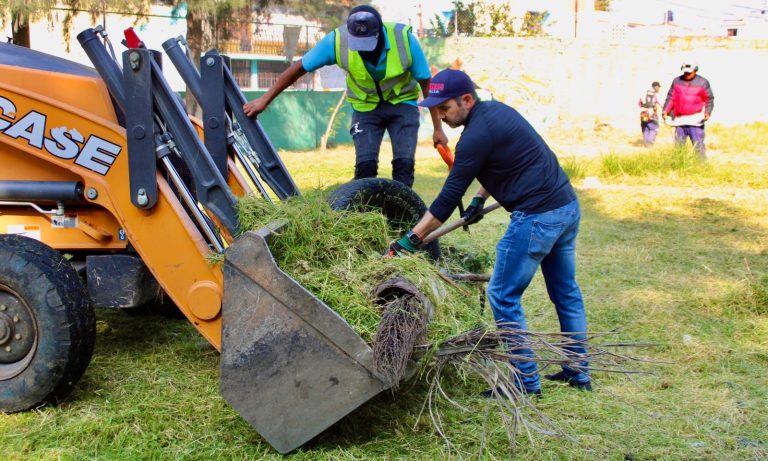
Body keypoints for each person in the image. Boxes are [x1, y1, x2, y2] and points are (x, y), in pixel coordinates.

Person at [388, 69, 590, 396]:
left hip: (538, 217)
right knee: (566, 292)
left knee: (502, 295)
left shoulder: (473, 137)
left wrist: (411, 239)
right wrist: (480, 199)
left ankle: (524, 383)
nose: (440, 116)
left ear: (466, 99)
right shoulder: (499, 113)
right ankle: (578, 372)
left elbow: (446, 200)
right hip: (566, 208)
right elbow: (506, 161)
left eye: (445, 109)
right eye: (436, 110)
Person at [243, 5, 446, 187]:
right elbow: (298, 68)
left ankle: (401, 221)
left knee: (404, 167)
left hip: (402, 102)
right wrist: (264, 99)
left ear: (380, 32)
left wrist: (438, 128)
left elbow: (426, 84)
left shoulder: (404, 39)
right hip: (365, 106)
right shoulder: (337, 41)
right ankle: (366, 218)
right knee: (365, 169)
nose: (364, 51)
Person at [662, 61, 714, 160]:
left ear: (695, 70)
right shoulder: (676, 81)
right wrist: (665, 111)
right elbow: (671, 97)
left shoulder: (703, 82)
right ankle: (679, 164)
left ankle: (701, 166)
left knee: (698, 144)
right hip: (679, 120)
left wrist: (707, 112)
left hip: (695, 120)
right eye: (685, 72)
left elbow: (709, 99)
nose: (687, 75)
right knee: (679, 145)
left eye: (689, 73)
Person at [638, 81, 661, 147]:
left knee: (645, 128)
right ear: (656, 87)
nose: (659, 89)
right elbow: (659, 103)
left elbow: (639, 104)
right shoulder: (655, 95)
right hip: (651, 114)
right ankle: (650, 143)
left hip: (643, 113)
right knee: (654, 128)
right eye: (658, 87)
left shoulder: (644, 93)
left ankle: (646, 143)